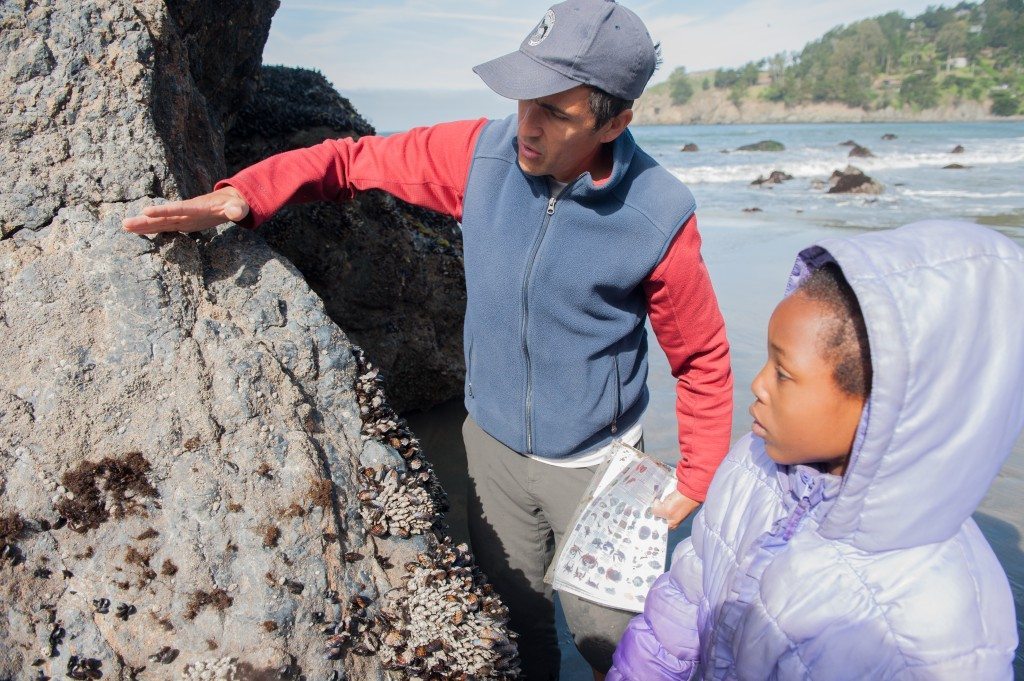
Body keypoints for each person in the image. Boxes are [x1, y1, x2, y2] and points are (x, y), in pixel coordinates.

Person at [123, 1, 734, 677]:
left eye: (556, 112)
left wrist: (698, 474)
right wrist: (243, 196)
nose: (526, 125)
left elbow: (701, 357)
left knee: (608, 641)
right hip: (493, 451)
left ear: (615, 120)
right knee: (516, 616)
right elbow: (350, 161)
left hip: (603, 467)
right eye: (524, 94)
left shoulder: (657, 215)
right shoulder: (482, 155)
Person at [607, 220, 1023, 680]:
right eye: (767, 359)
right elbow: (681, 606)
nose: (758, 384)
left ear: (886, 407)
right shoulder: (752, 463)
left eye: (783, 373)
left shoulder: (936, 627)